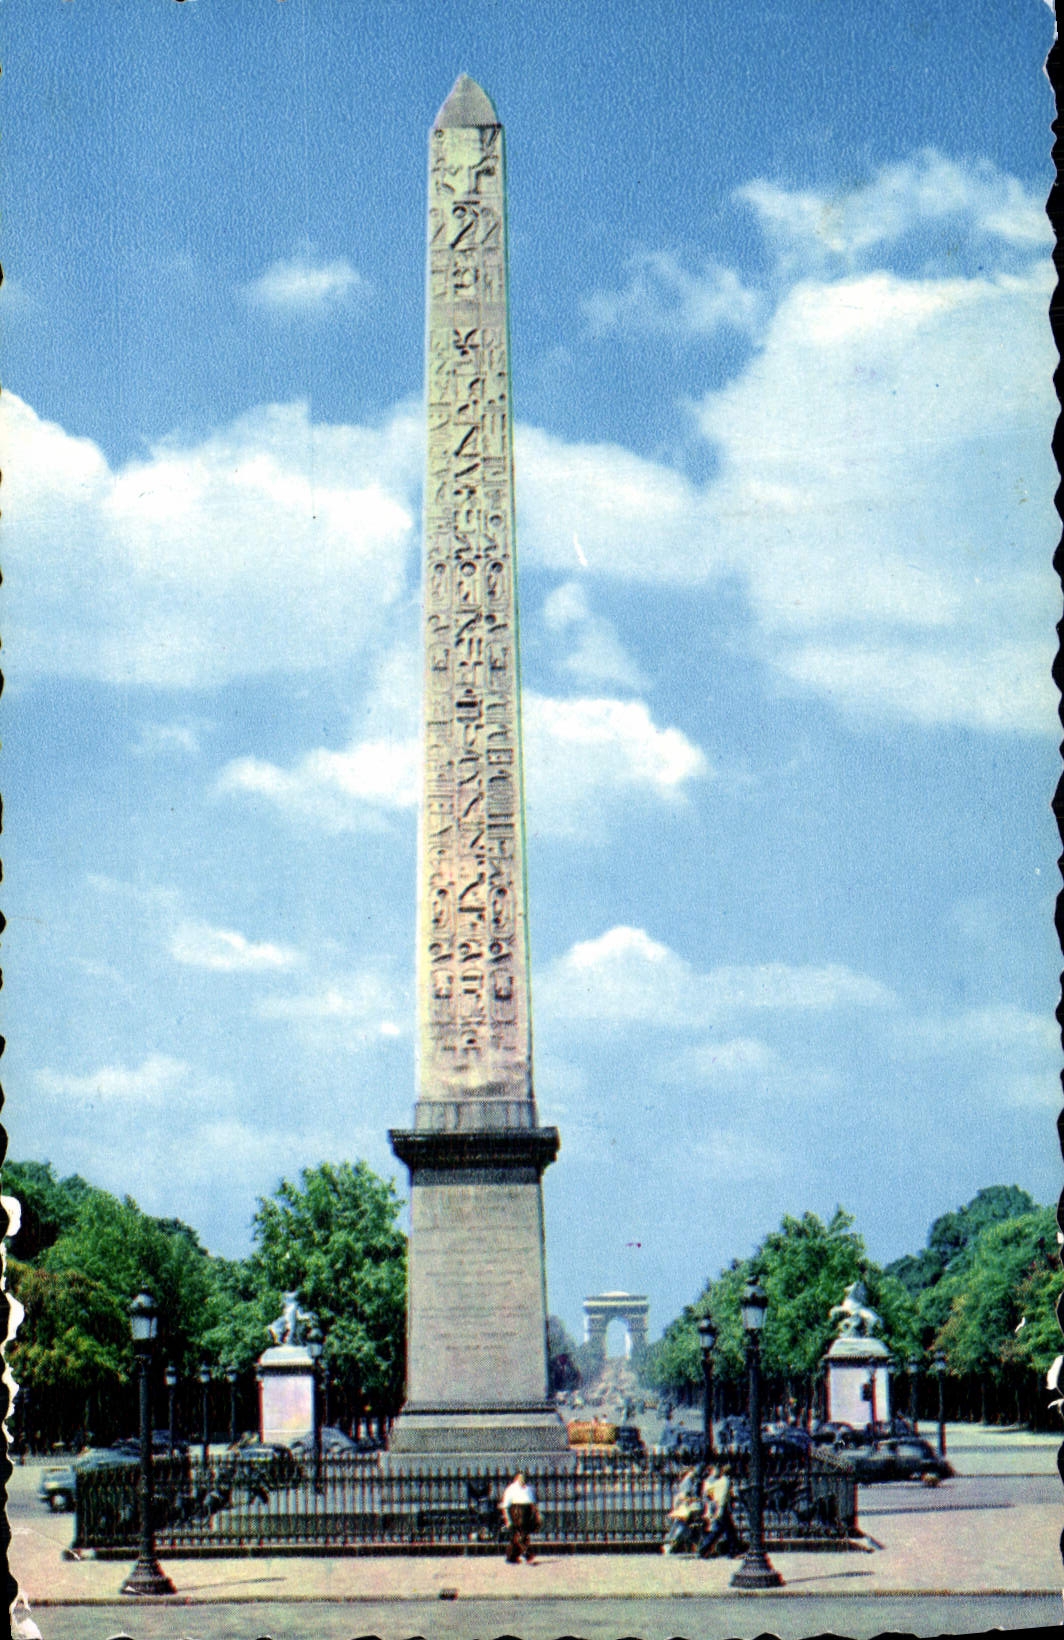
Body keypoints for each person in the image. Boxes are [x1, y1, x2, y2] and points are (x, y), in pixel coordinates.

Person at [697, 1461, 740, 1558]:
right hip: (722, 1508)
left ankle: (704, 1550)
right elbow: (723, 1496)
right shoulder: (726, 1481)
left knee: (720, 1530)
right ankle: (732, 1551)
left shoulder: (719, 1481)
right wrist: (720, 1509)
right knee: (727, 1531)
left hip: (718, 1507)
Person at [661, 1465, 702, 1553]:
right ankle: (669, 1545)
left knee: (683, 1527)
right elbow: (684, 1496)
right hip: (685, 1508)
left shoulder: (689, 1481)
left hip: (685, 1508)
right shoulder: (687, 1481)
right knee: (681, 1527)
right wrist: (695, 1499)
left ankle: (669, 1545)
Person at [501, 1471, 539, 1563]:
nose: (523, 1480)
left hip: (527, 1512)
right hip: (516, 1512)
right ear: (517, 1478)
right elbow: (505, 1505)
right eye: (521, 1478)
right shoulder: (511, 1489)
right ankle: (527, 1553)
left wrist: (535, 1514)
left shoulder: (529, 1489)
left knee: (520, 1534)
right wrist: (508, 1519)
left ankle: (511, 1556)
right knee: (520, 1534)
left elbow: (534, 1503)